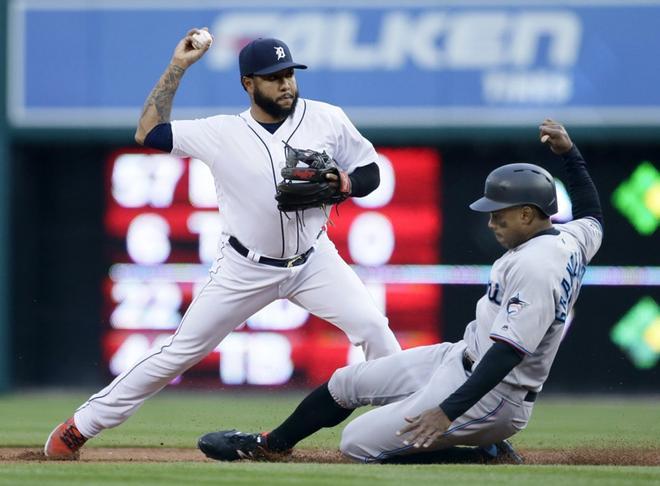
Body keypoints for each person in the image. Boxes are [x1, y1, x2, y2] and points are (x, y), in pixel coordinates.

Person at [43, 28, 401, 459]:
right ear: (248, 84)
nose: (285, 83)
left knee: (375, 330)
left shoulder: (327, 118)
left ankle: (409, 429)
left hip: (314, 260)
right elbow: (148, 132)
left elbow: (370, 171)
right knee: (179, 352)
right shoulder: (222, 132)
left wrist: (345, 181)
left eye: (289, 73)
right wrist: (179, 66)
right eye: (273, 76)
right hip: (244, 266)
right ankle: (78, 428)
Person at [197, 120, 604, 464]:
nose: (491, 222)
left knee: (356, 444)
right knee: (346, 383)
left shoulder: (537, 266)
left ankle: (482, 451)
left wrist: (445, 413)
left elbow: (506, 355)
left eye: (499, 215)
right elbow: (592, 214)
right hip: (459, 358)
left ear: (528, 214)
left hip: (496, 394)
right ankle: (270, 446)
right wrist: (570, 154)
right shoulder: (569, 237)